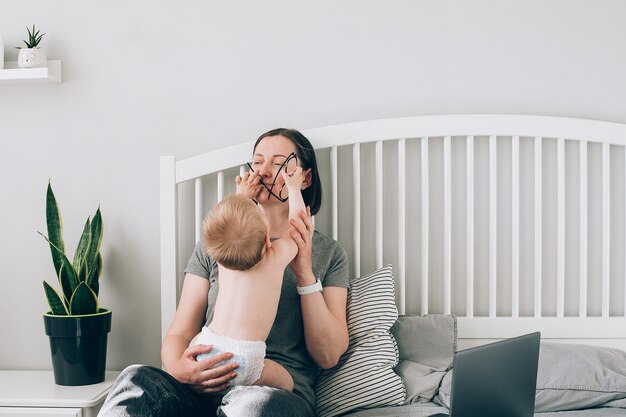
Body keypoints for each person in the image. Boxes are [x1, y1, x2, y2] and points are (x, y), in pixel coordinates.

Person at [98, 128, 350, 417]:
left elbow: (328, 356)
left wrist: (305, 274)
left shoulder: (328, 253)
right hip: (202, 386)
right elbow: (180, 330)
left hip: (273, 395)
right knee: (135, 380)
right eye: (257, 162)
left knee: (255, 407)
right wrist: (179, 368)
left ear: (304, 177)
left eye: (278, 162)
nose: (264, 171)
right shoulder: (219, 244)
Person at [189, 161, 306, 392]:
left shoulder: (224, 261)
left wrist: (241, 195)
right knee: (287, 383)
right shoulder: (275, 259)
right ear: (266, 239)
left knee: (200, 392)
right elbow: (298, 228)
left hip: (204, 347)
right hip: (246, 359)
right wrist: (294, 189)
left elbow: (229, 228)